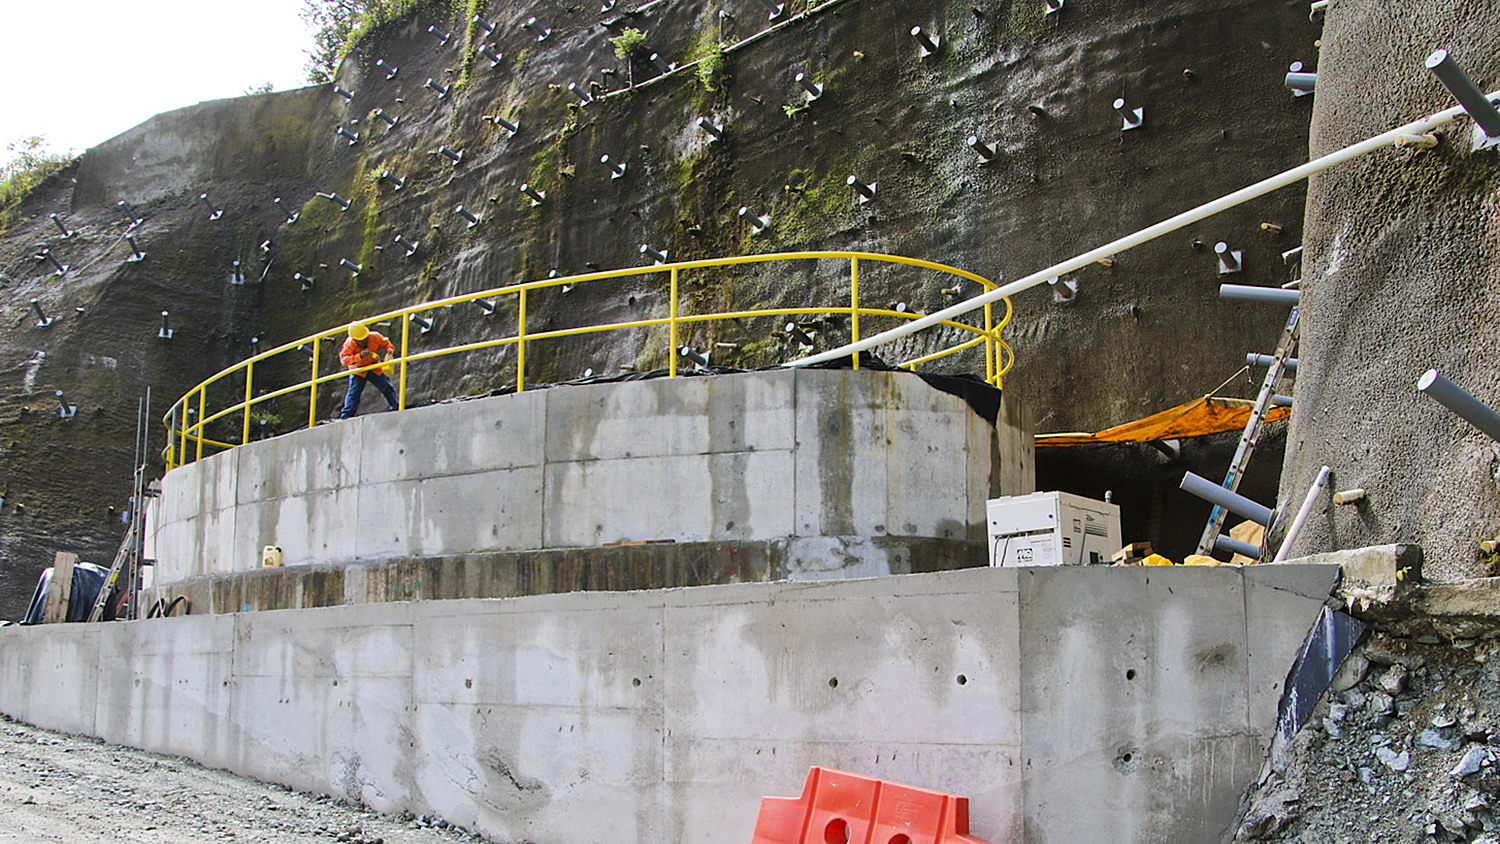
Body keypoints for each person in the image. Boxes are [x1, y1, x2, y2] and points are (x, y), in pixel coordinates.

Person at [338, 322, 400, 419]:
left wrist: (389, 349)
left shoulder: (374, 336)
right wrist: (359, 356)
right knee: (354, 393)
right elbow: (344, 360)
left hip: (374, 366)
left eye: (365, 338)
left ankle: (396, 407)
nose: (364, 341)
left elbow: (386, 343)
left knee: (386, 387)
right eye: (361, 340)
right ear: (355, 340)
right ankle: (346, 416)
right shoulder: (349, 344)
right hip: (358, 370)